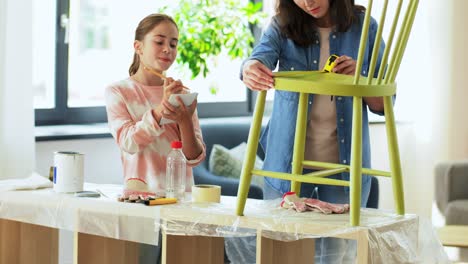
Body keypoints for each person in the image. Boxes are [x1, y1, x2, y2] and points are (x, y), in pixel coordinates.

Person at [239, 0, 385, 263]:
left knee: (338, 254)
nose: (307, 2)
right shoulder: (282, 24)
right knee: (281, 251)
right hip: (286, 160)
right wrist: (250, 68)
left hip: (344, 163)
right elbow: (258, 58)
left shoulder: (365, 27)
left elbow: (384, 104)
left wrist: (361, 79)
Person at [105, 13, 205, 263]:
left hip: (182, 201)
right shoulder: (118, 91)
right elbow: (128, 142)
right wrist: (161, 110)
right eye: (159, 41)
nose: (167, 49)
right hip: (141, 201)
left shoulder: (183, 94)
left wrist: (184, 119)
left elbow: (195, 158)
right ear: (138, 46)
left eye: (173, 43)